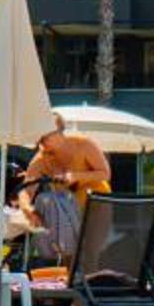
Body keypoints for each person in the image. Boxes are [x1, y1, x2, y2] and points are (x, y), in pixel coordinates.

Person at [19, 112, 111, 265]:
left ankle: (91, 278)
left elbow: (105, 173)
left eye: (44, 137)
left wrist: (75, 176)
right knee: (68, 253)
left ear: (59, 132)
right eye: (39, 139)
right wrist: (27, 209)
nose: (41, 143)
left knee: (91, 253)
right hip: (67, 207)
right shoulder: (41, 158)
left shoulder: (84, 144)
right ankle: (70, 279)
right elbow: (25, 189)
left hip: (97, 201)